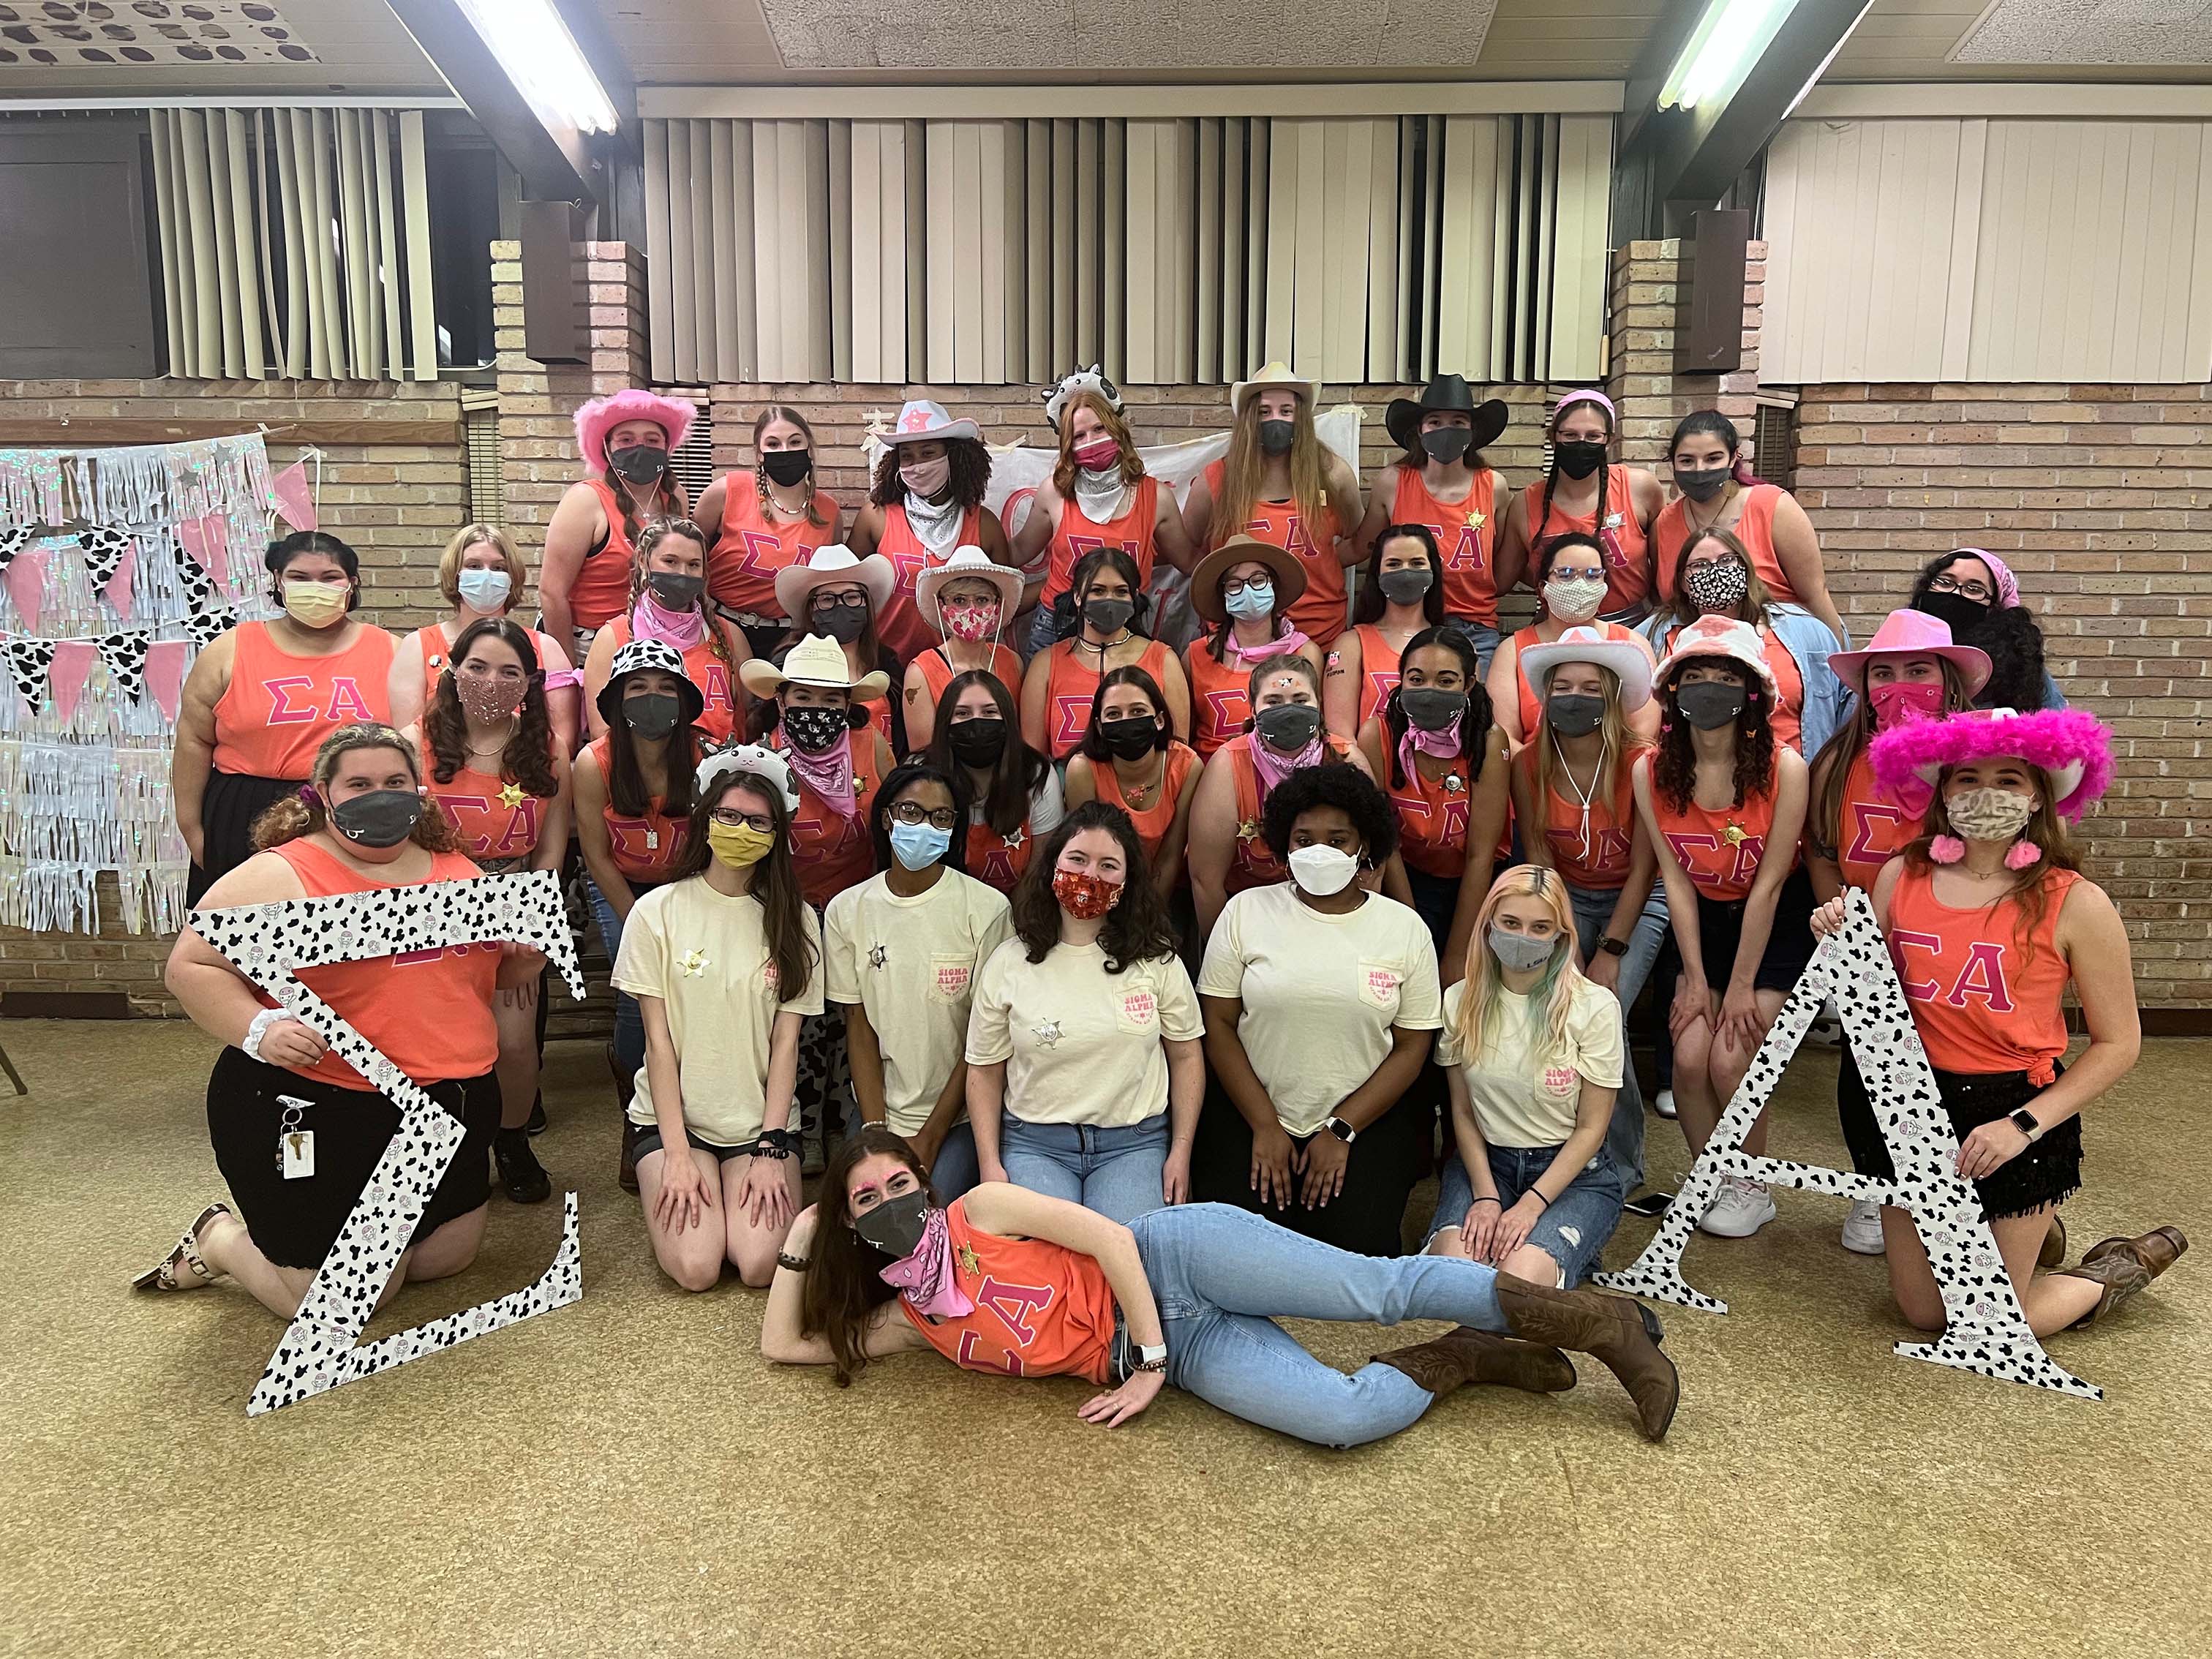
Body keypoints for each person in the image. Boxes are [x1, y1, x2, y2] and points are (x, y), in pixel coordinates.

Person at [763, 1125, 1681, 1445]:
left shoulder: (984, 1210)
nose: (892, 1203)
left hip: (1173, 1262)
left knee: (1379, 1289)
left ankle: (1599, 1326)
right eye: (866, 1200)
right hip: (1178, 1348)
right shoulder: (921, 1322)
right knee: (1339, 1418)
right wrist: (805, 1234)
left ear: (925, 1187)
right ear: (851, 1221)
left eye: (900, 1186)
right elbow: (784, 1345)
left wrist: (1150, 1361)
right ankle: (1475, 1359)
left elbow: (1112, 1242)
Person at [1807, 706, 2184, 1336]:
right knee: (1925, 1313)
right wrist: (1839, 935)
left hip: (2013, 1109)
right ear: (1943, 790)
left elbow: (2119, 1044)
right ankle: (2026, 1238)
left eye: (2009, 779)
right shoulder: (1902, 875)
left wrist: (2023, 1127)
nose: (1987, 794)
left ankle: (2120, 1265)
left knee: (1988, 1323)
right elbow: (1873, 988)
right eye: (1968, 779)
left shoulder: (2077, 902)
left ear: (2039, 794)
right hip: (1910, 1102)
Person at [138, 726, 535, 1315]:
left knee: (445, 1258)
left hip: (442, 1102)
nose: (381, 794)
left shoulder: (456, 872)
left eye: (395, 781)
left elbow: (474, 978)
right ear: (323, 793)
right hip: (319, 1099)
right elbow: (190, 965)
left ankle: (374, 1237)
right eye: (361, 783)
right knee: (344, 1301)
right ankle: (220, 1241)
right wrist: (260, 1029)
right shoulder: (283, 876)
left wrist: (520, 962)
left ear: (418, 790)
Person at [1195, 765, 1443, 1255]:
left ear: (1364, 846)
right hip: (1254, 1110)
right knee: (1235, 1253)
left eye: (1337, 839)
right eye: (1303, 838)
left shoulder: (1404, 928)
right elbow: (1218, 1023)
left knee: (1362, 1250)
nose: (1318, 852)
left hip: (1361, 1121)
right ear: (1284, 846)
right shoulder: (1246, 910)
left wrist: (1342, 1129)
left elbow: (1414, 1046)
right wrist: (1265, 1125)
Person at [1807, 608, 1991, 1256]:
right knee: (1868, 1073)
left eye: (1918, 670)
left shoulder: (1981, 759)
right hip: (1868, 948)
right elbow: (1824, 850)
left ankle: (1968, 1189)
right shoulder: (1837, 762)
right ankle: (1876, 1185)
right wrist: (1839, 919)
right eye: (1883, 673)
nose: (1900, 684)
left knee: (1948, 1073)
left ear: (1949, 680)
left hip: (1953, 951)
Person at [1632, 615, 1813, 1239]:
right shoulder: (1650, 771)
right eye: (1696, 677)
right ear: (1673, 692)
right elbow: (1676, 882)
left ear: (1752, 695)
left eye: (1725, 678)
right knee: (1687, 1056)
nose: (1710, 689)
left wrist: (1737, 986)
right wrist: (1694, 979)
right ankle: (1712, 1172)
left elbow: (1767, 885)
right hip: (1702, 922)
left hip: (1773, 920)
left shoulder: (1785, 769)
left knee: (1731, 1054)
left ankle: (1750, 1185)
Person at [614, 745, 820, 1291]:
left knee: (757, 1266)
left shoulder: (795, 920)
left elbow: (785, 1045)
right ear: (704, 819)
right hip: (674, 1123)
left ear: (777, 834)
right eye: (728, 815)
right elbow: (656, 1046)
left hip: (760, 1124)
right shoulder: (656, 912)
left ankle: (744, 1181)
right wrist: (676, 1155)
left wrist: (772, 1149)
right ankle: (675, 1172)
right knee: (698, 1268)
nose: (740, 829)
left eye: (757, 821)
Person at [965, 802, 1205, 1224]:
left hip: (1135, 1144)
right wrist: (990, 1165)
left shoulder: (1158, 960)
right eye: (1078, 859)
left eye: (1109, 865)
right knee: (1047, 1270)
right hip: (1034, 1144)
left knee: (1131, 1260)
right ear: (1053, 864)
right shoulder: (1007, 961)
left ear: (1128, 881)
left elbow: (1186, 1056)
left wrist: (1180, 1152)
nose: (1090, 875)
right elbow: (984, 1070)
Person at [408, 615, 572, 1205]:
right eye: (477, 667)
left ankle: (512, 1141)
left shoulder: (548, 753)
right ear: (453, 671)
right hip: (428, 909)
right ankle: (444, 1148)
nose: (491, 681)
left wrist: (536, 920)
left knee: (515, 1043)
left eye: (509, 672)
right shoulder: (411, 745)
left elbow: (551, 850)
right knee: (437, 1038)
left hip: (513, 906)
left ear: (529, 683)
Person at [1511, 625, 1667, 1186]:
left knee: (1602, 1018)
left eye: (1589, 687)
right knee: (1556, 1011)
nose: (1574, 699)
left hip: (1639, 900)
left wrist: (1609, 951)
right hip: (1566, 900)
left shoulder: (1642, 761)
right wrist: (1568, 945)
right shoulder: (1527, 762)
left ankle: (1620, 1167)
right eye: (1562, 687)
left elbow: (1647, 868)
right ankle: (1554, 1145)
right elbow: (1540, 857)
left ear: (1612, 699)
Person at [1423, 868, 1628, 1290]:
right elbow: (1461, 1111)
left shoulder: (1595, 1006)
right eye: (1511, 924)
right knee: (1456, 1280)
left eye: (1541, 928)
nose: (1523, 937)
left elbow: (1593, 1128)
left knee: (1517, 1286)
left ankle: (1556, 1245)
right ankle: (1545, 1248)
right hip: (1488, 1163)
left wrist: (1531, 1205)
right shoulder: (1460, 1000)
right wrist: (1485, 1196)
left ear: (1561, 935)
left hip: (1574, 1172)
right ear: (1489, 925)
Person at [824, 760, 1013, 1201]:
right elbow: (859, 1027)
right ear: (886, 818)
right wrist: (877, 1135)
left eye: (940, 817)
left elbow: (982, 1041)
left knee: (929, 1216)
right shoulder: (846, 911)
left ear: (953, 829)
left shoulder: (987, 910)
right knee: (862, 1221)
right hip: (879, 1112)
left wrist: (930, 1136)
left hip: (959, 1116)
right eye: (910, 812)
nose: (924, 825)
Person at [174, 530, 396, 904]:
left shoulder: (392, 651)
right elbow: (194, 741)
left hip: (353, 809)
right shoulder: (228, 650)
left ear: (352, 584)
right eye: (299, 577)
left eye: (330, 578)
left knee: (343, 941)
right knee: (242, 944)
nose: (316, 588)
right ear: (278, 580)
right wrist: (194, 830)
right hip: (242, 813)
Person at [573, 639, 705, 1189]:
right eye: (638, 688)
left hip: (687, 884)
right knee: (637, 994)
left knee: (691, 988)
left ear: (683, 700)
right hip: (620, 884)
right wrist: (642, 923)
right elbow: (596, 854)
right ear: (616, 702)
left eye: (665, 688)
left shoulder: (704, 757)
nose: (652, 698)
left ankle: (692, 1102)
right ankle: (637, 1112)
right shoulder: (592, 763)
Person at [1361, 625, 1511, 979]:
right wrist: (1415, 934)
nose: (1429, 692)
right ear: (1401, 681)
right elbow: (1387, 845)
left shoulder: (1488, 741)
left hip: (1475, 881)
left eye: (1446, 681)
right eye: (1417, 679)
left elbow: (1481, 854)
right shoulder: (1376, 735)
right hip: (1407, 878)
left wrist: (1457, 956)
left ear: (1468, 685)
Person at [1188, 654, 1372, 938]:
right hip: (1250, 918)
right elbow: (1205, 880)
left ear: (1319, 706)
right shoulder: (1228, 765)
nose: (1289, 711)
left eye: (1300, 701)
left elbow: (1372, 866)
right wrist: (1224, 956)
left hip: (1336, 917)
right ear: (1252, 710)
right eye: (1273, 702)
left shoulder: (1348, 759)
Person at [1012, 368, 1195, 652]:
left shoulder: (1156, 497)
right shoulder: (1054, 491)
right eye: (1079, 436)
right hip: (1057, 626)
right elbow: (1018, 552)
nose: (1091, 441)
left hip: (1125, 625)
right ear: (1067, 445)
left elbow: (1188, 561)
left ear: (1117, 430)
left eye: (1099, 429)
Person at [1181, 362, 1363, 646]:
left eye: (1286, 411)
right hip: (1238, 637)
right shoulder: (1216, 480)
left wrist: (1312, 564)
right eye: (1264, 412)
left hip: (1319, 634)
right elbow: (1190, 550)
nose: (1275, 419)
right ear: (1249, 419)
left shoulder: (1332, 474)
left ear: (1300, 417)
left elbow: (1358, 540)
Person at [1639, 525, 1843, 759]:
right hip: (1687, 777)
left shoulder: (1805, 629)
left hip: (1792, 776)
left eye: (1727, 561)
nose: (1714, 571)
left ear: (1745, 570)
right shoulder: (1655, 633)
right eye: (1700, 565)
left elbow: (1845, 702)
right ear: (1683, 582)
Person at [1356, 375, 1512, 666]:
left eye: (1458, 422)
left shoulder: (1494, 486)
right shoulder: (1394, 481)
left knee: (1478, 709)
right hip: (1410, 621)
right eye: (1435, 422)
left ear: (1472, 431)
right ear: (1420, 430)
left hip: (1475, 628)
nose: (1446, 430)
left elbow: (1498, 559)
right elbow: (1366, 546)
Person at [1649, 410, 1846, 641]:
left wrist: (1837, 663)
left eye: (1713, 458)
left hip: (1779, 646)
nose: (1699, 469)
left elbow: (1815, 594)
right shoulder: (1663, 524)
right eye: (1687, 461)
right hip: (1697, 653)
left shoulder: (1773, 507)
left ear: (1733, 459)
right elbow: (1664, 602)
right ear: (1672, 463)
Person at [388, 522, 580, 753]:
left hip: (525, 776)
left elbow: (562, 742)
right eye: (474, 566)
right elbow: (410, 743)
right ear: (455, 574)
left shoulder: (547, 648)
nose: (487, 575)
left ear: (512, 578)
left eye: (499, 568)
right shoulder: (417, 647)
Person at [739, 633, 897, 911]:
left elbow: (896, 814)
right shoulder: (762, 756)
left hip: (861, 900)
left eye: (831, 699)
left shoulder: (872, 743)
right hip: (781, 904)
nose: (816, 708)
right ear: (781, 702)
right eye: (803, 696)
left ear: (847, 706)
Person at [848, 399, 1013, 661]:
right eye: (907, 456)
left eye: (928, 453)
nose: (918, 465)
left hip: (957, 669)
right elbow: (846, 587)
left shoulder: (984, 524)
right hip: (885, 663)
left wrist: (1054, 588)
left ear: (954, 456)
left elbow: (1005, 600)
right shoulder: (875, 516)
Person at [541, 389, 693, 657]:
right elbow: (552, 593)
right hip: (589, 643)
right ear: (608, 449)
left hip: (658, 641)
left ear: (666, 448)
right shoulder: (585, 500)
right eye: (626, 440)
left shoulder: (676, 497)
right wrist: (565, 671)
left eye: (652, 439)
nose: (640, 447)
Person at [1499, 389, 1663, 623]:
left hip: (1634, 625)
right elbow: (1502, 578)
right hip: (1556, 629)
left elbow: (1664, 564)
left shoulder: (1640, 488)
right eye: (1570, 435)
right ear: (1553, 438)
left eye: (1593, 436)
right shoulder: (1525, 504)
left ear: (1609, 439)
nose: (1581, 444)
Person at [582, 518, 746, 745]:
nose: (683, 573)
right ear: (643, 560)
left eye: (694, 565)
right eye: (670, 561)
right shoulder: (613, 637)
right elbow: (602, 733)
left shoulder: (730, 636)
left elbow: (744, 722)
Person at [1486, 532, 1660, 746]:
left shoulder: (1634, 645)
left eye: (1593, 575)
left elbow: (1644, 735)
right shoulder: (1512, 651)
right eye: (1566, 574)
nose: (1580, 584)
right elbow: (1504, 737)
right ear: (1542, 587)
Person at [696, 405, 841, 656]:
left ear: (809, 448)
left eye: (795, 441)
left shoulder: (829, 511)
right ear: (759, 453)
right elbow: (692, 556)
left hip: (790, 639)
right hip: (721, 627)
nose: (785, 451)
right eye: (773, 444)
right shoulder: (726, 492)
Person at [1021, 546, 1189, 761]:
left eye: (1120, 592)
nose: (1109, 600)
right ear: (1078, 597)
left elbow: (1178, 751)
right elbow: (1033, 760)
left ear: (1134, 597)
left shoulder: (1164, 659)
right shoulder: (1045, 664)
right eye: (1098, 591)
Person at [1064, 666, 1203, 903]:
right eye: (1114, 714)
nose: (1126, 721)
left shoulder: (1187, 765)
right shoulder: (1082, 769)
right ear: (1099, 726)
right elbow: (1085, 854)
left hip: (1163, 891)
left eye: (1138, 711)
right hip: (1099, 888)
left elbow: (1171, 853)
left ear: (1159, 720)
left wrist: (1147, 917)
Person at [1181, 533, 1324, 760]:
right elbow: (1184, 734)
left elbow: (1317, 726)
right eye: (1235, 585)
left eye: (1258, 581)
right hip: (1209, 773)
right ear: (1224, 595)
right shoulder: (1195, 654)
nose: (1248, 591)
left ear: (1274, 587)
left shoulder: (1305, 652)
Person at [771, 544, 903, 753]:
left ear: (866, 604)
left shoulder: (888, 663)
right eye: (827, 599)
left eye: (851, 597)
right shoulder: (786, 663)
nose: (840, 606)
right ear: (812, 610)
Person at [1325, 523, 1445, 742]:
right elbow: (1339, 736)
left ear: (1433, 570)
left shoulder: (1454, 646)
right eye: (1394, 564)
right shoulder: (1351, 644)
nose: (1406, 572)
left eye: (1417, 563)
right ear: (1377, 573)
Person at [1908, 547, 2066, 713]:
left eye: (1974, 589)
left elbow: (2057, 728)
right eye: (1945, 583)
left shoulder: (2020, 666)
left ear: (1994, 607)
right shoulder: (1898, 645)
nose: (1955, 593)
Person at [903, 546, 1025, 754]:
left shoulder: (1012, 661)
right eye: (959, 600)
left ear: (997, 607)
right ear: (942, 607)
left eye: (982, 600)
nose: (972, 610)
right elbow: (922, 751)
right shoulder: (921, 672)